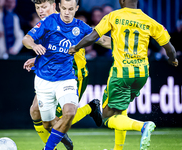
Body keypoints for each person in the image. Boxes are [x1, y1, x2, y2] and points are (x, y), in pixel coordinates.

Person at [69, 0, 178, 150]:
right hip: (142, 74)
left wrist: (76, 47)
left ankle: (143, 126)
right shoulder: (149, 20)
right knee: (120, 110)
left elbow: (92, 36)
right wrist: (173, 60)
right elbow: (170, 49)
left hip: (122, 72)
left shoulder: (114, 16)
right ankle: (118, 149)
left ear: (121, 1)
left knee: (107, 117)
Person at [22, 0, 111, 149]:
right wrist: (38, 58)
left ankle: (57, 140)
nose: (41, 11)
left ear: (54, 6)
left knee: (62, 116)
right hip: (50, 75)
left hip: (75, 72)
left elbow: (95, 40)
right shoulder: (47, 23)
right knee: (36, 112)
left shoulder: (70, 21)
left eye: (44, 7)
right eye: (38, 8)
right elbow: (52, 49)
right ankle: (59, 137)